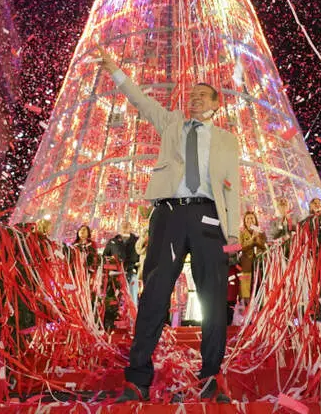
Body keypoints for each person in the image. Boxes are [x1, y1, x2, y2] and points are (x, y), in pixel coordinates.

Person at [96, 45, 241, 404]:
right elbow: (140, 101)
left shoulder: (226, 140)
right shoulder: (172, 123)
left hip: (209, 217)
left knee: (212, 297)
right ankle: (137, 380)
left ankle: (210, 377)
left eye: (202, 96)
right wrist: (115, 70)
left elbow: (232, 188)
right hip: (169, 213)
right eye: (191, 95)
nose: (193, 100)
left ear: (216, 104)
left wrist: (234, 233)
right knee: (155, 294)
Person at [237, 211, 267, 304]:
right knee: (246, 289)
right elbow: (240, 246)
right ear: (245, 222)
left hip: (259, 263)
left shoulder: (261, 232)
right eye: (248, 219)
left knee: (259, 285)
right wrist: (251, 240)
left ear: (256, 220)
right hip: (246, 264)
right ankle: (246, 307)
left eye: (252, 218)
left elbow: (264, 246)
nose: (250, 220)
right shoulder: (241, 233)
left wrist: (257, 238)